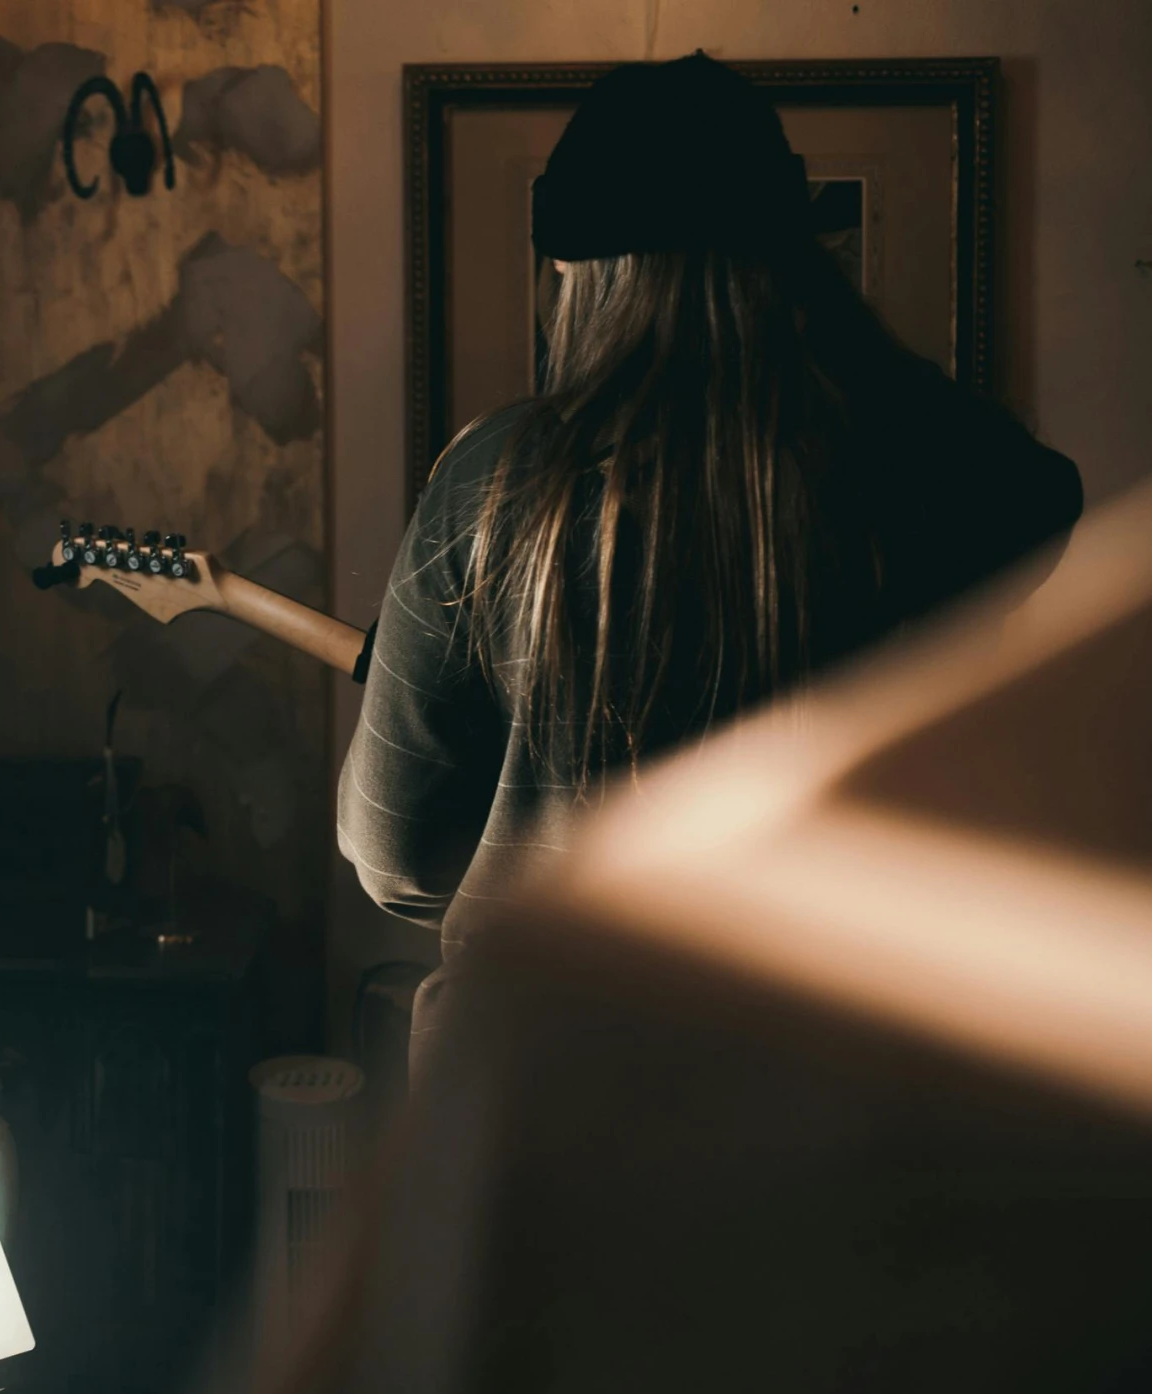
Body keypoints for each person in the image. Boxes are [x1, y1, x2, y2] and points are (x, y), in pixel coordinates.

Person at [338, 55, 1083, 1059]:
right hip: (842, 1095)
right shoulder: (941, 471)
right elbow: (1033, 494)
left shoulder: (493, 480)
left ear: (589, 275)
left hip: (540, 1094)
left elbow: (395, 855)